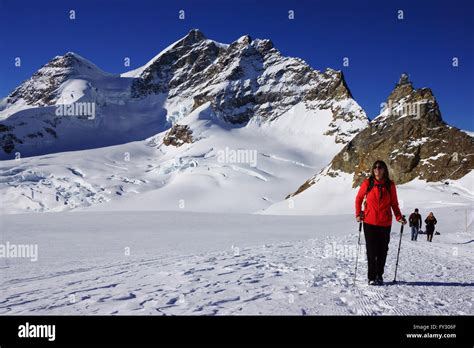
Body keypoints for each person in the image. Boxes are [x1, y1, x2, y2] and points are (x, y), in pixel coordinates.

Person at [355, 160, 406, 286]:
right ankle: (371, 277)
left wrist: (398, 217)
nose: (377, 169)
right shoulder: (368, 183)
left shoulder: (390, 185)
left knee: (382, 251)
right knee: (371, 251)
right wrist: (358, 214)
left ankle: (379, 275)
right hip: (369, 222)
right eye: (375, 167)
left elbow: (394, 203)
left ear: (384, 170)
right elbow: (359, 198)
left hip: (385, 223)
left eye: (380, 167)